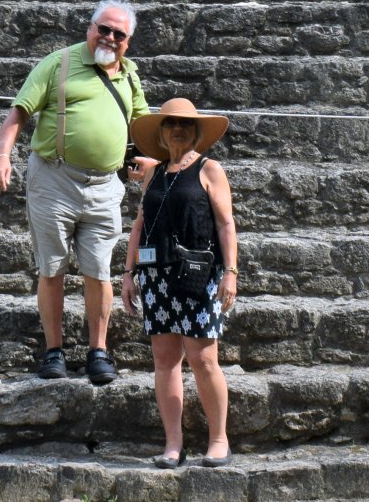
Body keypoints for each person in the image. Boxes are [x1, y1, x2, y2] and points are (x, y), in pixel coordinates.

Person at [0, 0, 153, 385]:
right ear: (90, 28)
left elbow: (143, 124)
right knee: (52, 267)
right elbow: (18, 113)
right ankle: (54, 351)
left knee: (99, 271)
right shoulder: (58, 63)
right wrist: (2, 156)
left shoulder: (129, 76)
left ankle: (99, 351)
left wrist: (153, 160)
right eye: (104, 29)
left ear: (128, 42)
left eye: (119, 34)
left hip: (105, 185)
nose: (110, 38)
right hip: (54, 179)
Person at [121, 97, 238, 468]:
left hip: (198, 275)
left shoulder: (209, 169)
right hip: (156, 276)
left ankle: (219, 440)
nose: (177, 129)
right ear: (161, 131)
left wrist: (231, 272)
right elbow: (140, 225)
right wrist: (128, 273)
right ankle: (173, 444)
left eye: (185, 124)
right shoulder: (154, 174)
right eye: (171, 123)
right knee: (164, 360)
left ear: (196, 131)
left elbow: (225, 224)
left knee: (204, 358)